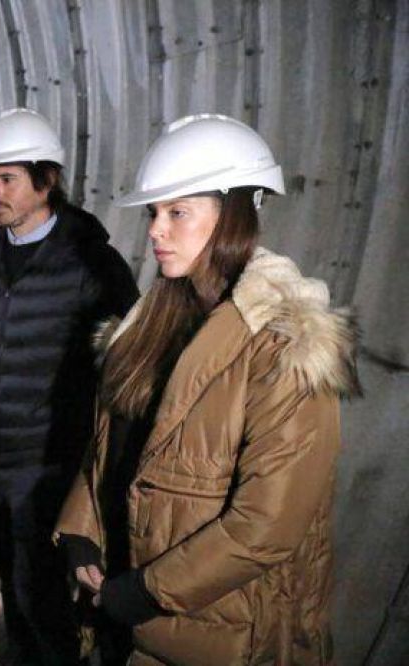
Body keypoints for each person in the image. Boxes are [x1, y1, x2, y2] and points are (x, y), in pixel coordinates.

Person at [54, 114, 359, 665]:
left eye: (177, 212)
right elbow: (108, 451)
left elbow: (266, 525)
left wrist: (146, 591)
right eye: (154, 213)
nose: (154, 229)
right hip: (125, 616)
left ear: (233, 215)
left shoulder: (284, 347)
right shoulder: (147, 327)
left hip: (222, 635)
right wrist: (81, 529)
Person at [0, 108, 139, 664]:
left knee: (39, 587)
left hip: (44, 460)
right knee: (10, 576)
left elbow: (125, 365)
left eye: (7, 178)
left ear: (47, 179)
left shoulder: (92, 263)